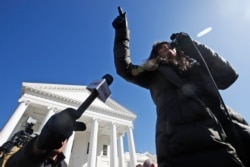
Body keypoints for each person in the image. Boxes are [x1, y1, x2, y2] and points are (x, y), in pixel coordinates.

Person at [112, 7, 250, 167]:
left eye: (166, 45)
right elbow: (124, 68)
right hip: (184, 145)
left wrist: (195, 47)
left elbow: (229, 76)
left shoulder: (197, 65)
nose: (164, 48)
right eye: (159, 49)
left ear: (177, 48)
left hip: (231, 132)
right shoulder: (152, 75)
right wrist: (122, 34)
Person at [5, 108, 86, 167]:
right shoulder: (26, 157)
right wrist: (41, 143)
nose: (60, 140)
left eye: (64, 138)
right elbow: (18, 161)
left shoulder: (62, 164)